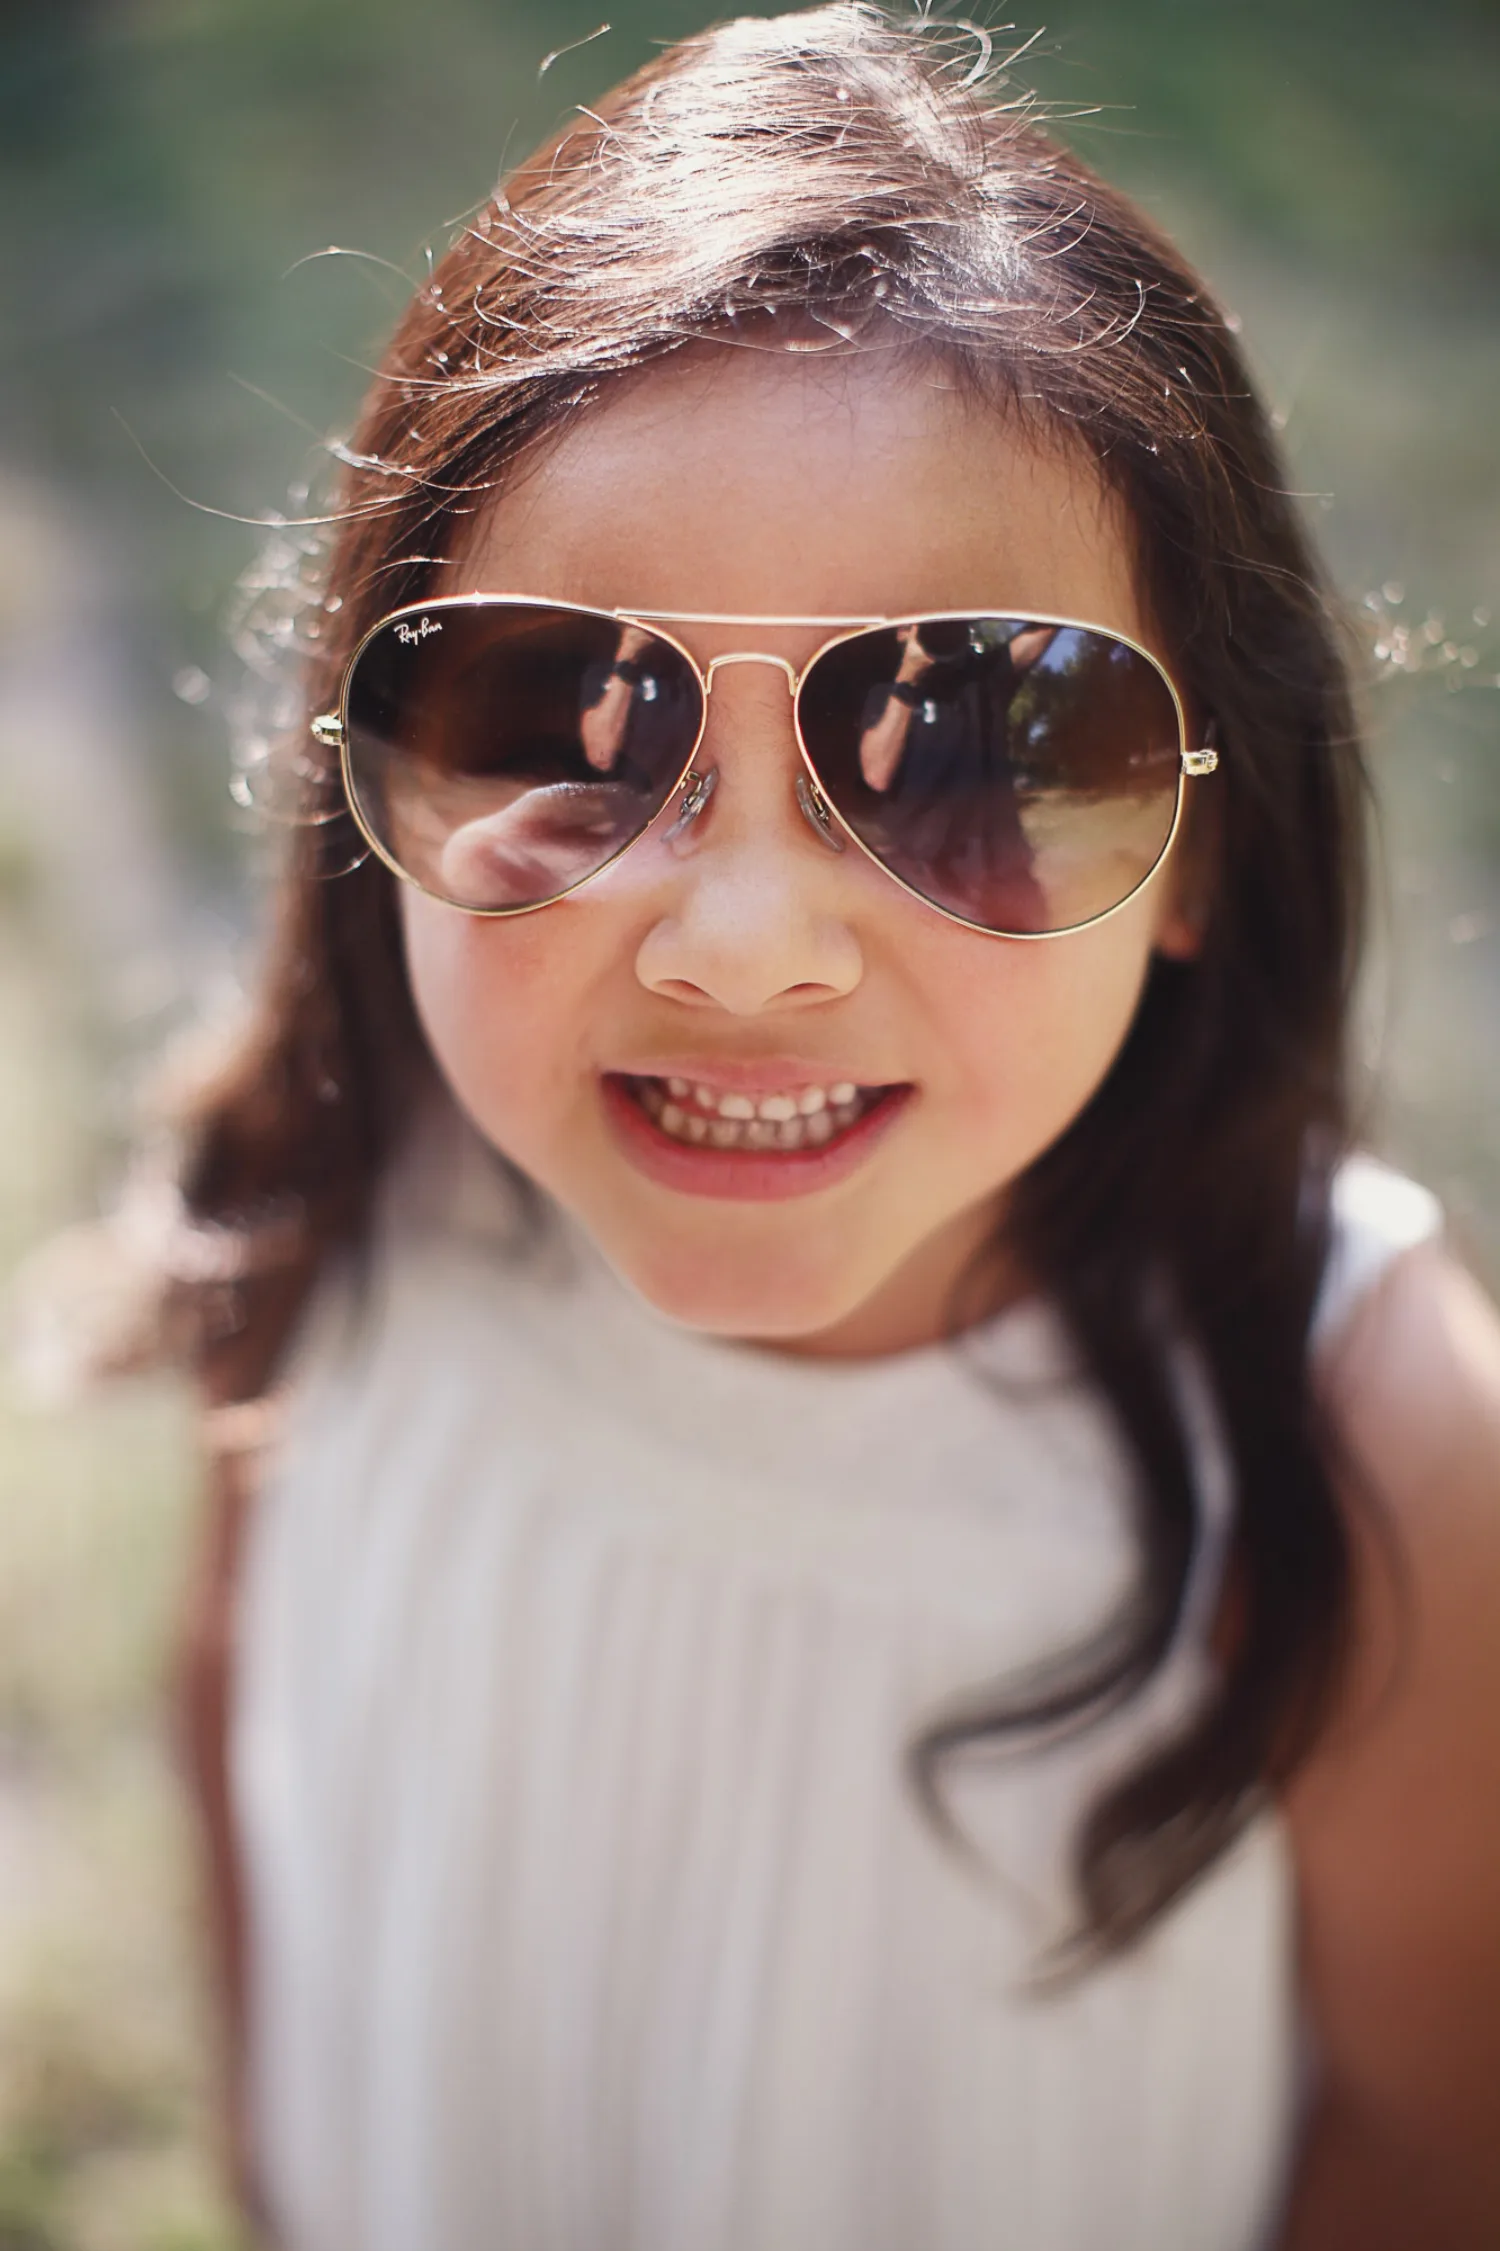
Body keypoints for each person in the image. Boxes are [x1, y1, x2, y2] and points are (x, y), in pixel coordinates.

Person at [169, 9, 1500, 2248]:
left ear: (1205, 844)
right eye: (567, 720)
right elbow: (238, 1729)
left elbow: (1442, 2143)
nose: (748, 946)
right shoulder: (355, 1179)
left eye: (971, 747)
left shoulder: (1370, 1445)